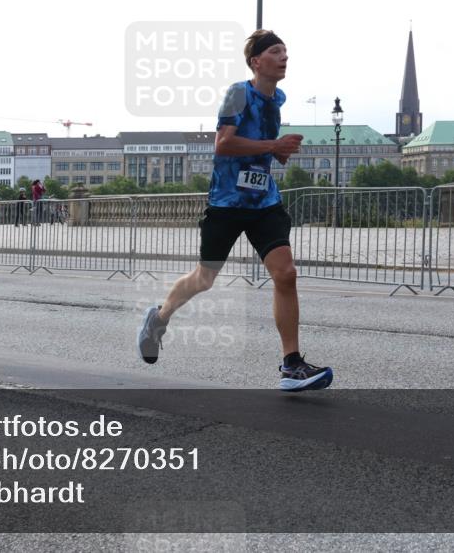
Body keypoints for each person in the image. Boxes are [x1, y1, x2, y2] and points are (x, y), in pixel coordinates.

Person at [135, 30, 333, 392]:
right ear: (256, 61)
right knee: (204, 278)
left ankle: (292, 364)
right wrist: (274, 144)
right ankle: (159, 319)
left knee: (286, 274)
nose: (284, 57)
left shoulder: (279, 98)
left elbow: (258, 145)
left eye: (286, 51)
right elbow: (223, 144)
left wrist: (276, 152)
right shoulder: (239, 93)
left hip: (263, 203)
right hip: (227, 202)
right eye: (276, 51)